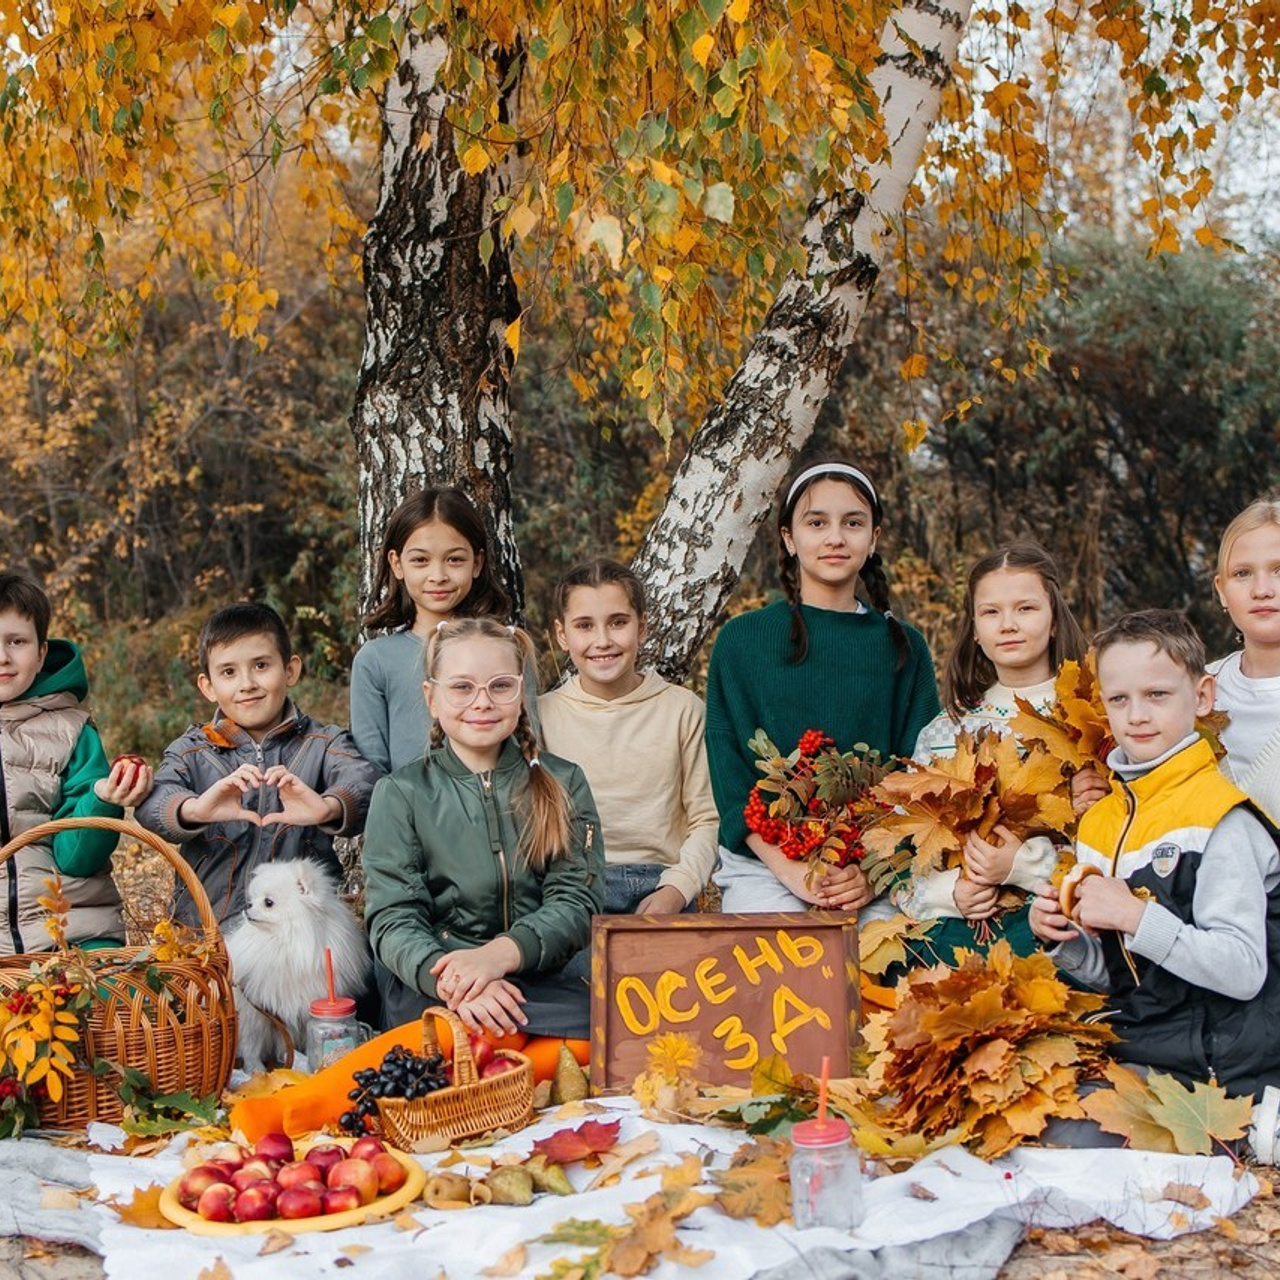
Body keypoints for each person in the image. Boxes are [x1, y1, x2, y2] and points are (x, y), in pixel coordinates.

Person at [1030, 610, 1280, 1126]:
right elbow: (1120, 977)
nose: (1137, 715)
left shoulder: (1222, 819)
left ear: (1203, 697)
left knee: (1069, 1145)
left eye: (1158, 695)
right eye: (1119, 699)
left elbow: (1242, 971)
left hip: (1219, 1083)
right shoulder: (1101, 823)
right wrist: (1066, 943)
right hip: (1140, 1057)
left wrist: (1136, 918)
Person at [705, 462, 940, 914]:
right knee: (780, 967)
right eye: (817, 523)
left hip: (874, 863)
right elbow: (731, 775)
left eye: (853, 523)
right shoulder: (742, 641)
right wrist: (791, 871)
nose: (835, 537)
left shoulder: (903, 646)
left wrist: (873, 874)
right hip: (766, 862)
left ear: (873, 539)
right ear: (789, 538)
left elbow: (921, 774)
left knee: (881, 968)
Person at [362, 617, 603, 1038]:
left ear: (520, 692)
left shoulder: (564, 781)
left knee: (606, 1025)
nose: (482, 702)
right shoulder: (401, 793)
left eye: (500, 685)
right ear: (431, 698)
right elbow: (393, 917)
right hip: (435, 985)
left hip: (535, 983)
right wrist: (456, 981)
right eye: (461, 687)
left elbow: (577, 900)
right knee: (448, 1036)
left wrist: (499, 956)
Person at [898, 543, 1087, 960]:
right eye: (990, 612)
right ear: (975, 630)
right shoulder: (945, 731)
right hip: (955, 939)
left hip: (1058, 936)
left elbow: (1122, 845)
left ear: (1054, 619)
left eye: (1025, 609)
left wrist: (1023, 866)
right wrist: (951, 892)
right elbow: (902, 853)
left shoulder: (1091, 722)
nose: (1007, 625)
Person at [135, 603, 379, 927]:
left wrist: (328, 807)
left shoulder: (322, 743)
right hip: (207, 934)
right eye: (228, 672)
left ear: (290, 670)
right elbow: (153, 799)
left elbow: (365, 781)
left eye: (261, 665)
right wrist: (193, 810)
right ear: (208, 686)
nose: (247, 683)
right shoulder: (193, 750)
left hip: (299, 939)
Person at [540, 558, 718, 916]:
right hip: (571, 889)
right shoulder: (542, 716)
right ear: (562, 635)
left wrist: (678, 888)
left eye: (618, 623)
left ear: (642, 628)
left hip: (661, 883)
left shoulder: (682, 710)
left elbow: (708, 818)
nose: (602, 641)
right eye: (584, 626)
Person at [0, 573, 152, 954]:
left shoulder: (72, 732)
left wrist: (103, 798)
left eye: (16, 642)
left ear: (41, 652)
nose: (2, 657)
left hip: (74, 933)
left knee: (105, 1005)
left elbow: (77, 859)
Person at [350, 488, 514, 774]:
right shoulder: (376, 660)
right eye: (420, 560)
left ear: (477, 563)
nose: (438, 576)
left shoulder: (507, 650)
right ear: (397, 564)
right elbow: (371, 771)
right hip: (406, 815)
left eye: (454, 560)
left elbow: (527, 746)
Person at [1209, 497, 1280, 821]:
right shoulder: (1191, 690)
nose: (1262, 590)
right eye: (1242, 573)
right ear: (1222, 590)